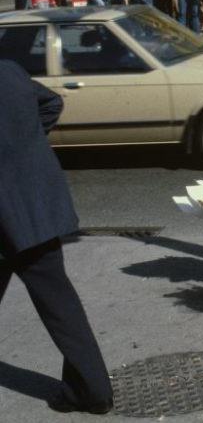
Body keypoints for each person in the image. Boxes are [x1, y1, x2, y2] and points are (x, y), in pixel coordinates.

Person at [0, 60, 114, 415]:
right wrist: (28, 144)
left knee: (59, 303)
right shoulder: (8, 71)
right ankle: (91, 388)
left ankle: (92, 390)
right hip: (36, 207)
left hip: (10, 218)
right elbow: (51, 103)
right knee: (59, 302)